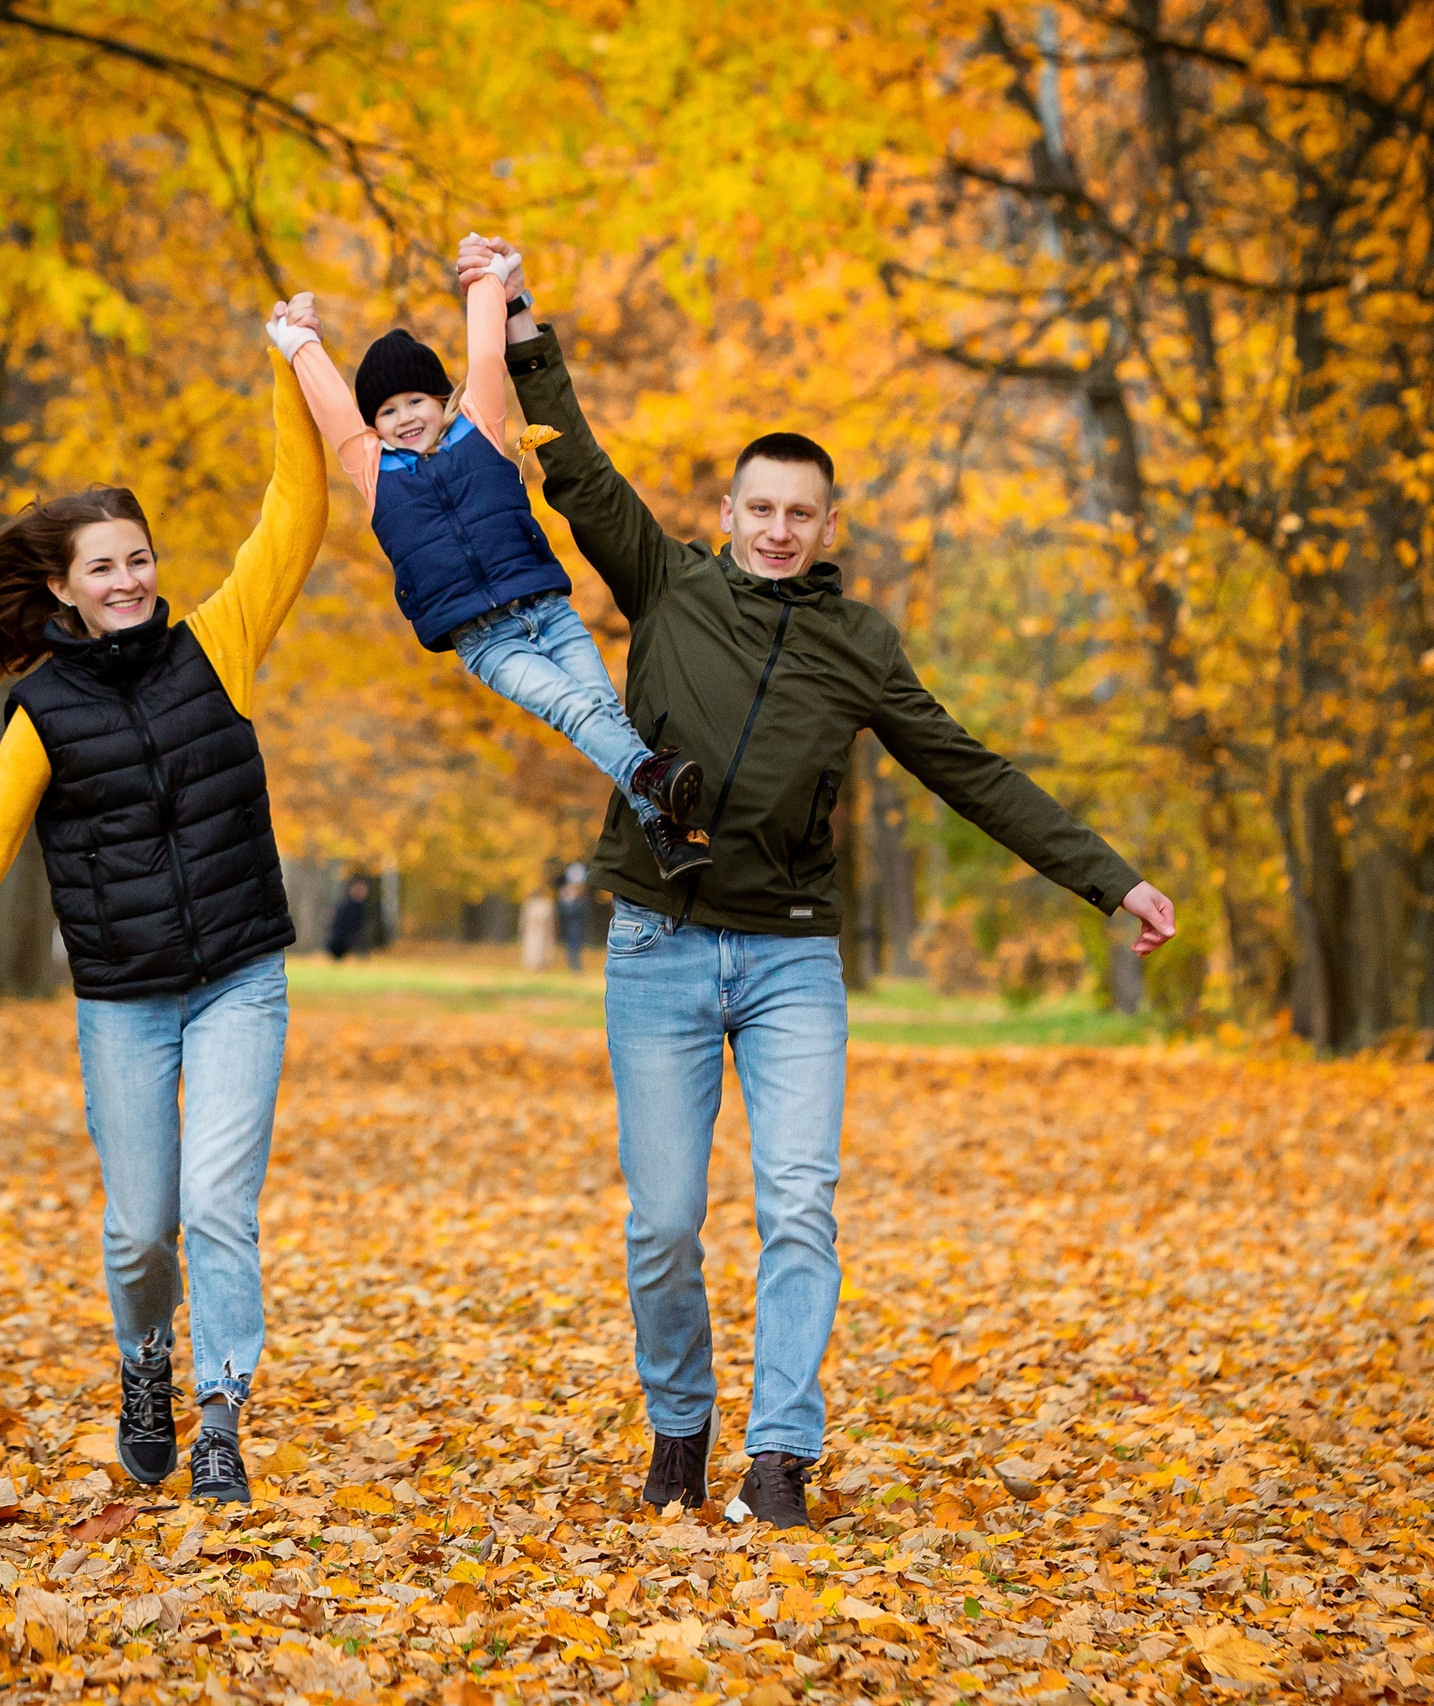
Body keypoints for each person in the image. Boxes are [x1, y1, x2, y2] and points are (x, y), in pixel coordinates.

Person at [466, 234, 1178, 1530]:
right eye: (761, 509)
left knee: (799, 1205)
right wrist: (515, 322)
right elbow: (574, 464)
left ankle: (780, 1453)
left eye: (802, 513)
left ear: (827, 525)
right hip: (657, 945)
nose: (780, 529)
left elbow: (972, 771)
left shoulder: (860, 646)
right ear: (729, 512)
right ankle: (679, 1424)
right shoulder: (666, 583)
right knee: (664, 1225)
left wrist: (1110, 879)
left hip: (791, 958)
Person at [0, 297, 332, 1506]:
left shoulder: (218, 644)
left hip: (238, 976)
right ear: (63, 591)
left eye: (138, 558)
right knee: (139, 1229)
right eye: (103, 566)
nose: (128, 579)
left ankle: (220, 1414)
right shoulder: (43, 711)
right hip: (124, 999)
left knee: (217, 1204)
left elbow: (295, 510)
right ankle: (144, 1356)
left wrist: (289, 364)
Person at [263, 245, 713, 881]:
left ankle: (668, 836)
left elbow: (484, 356)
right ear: (374, 425)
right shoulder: (374, 471)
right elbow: (335, 411)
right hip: (488, 641)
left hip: (547, 610)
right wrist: (300, 343)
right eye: (387, 411)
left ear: (441, 398)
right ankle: (650, 774)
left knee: (603, 713)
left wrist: (486, 280)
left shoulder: (479, 424)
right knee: (574, 710)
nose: (404, 418)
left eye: (415, 401)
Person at [556, 860, 593, 973]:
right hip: (571, 925)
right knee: (571, 945)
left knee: (576, 944)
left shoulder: (581, 897)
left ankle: (575, 964)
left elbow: (583, 911)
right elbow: (565, 912)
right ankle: (573, 964)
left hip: (577, 925)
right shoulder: (566, 895)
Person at [327, 875, 374, 960]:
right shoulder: (345, 907)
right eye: (358, 889)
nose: (361, 892)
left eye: (363, 889)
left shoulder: (365, 908)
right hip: (341, 947)